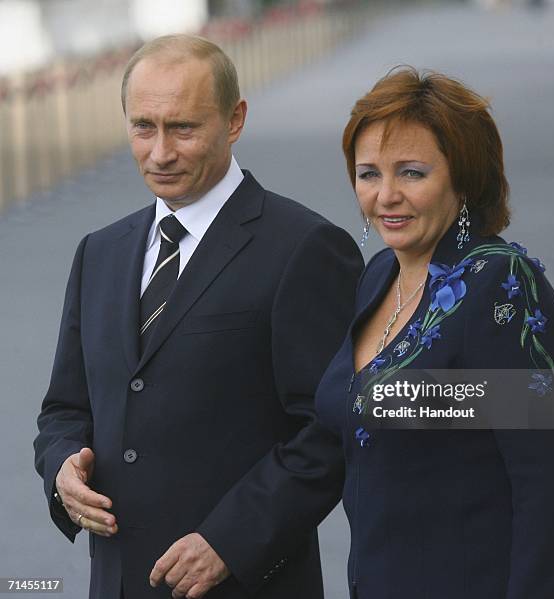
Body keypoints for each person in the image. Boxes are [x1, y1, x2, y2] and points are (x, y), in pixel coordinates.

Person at [34, 34, 363, 599]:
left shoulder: (306, 248)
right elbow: (65, 408)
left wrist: (230, 542)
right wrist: (63, 470)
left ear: (234, 120)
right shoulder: (99, 252)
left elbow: (332, 429)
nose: (160, 153)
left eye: (182, 128)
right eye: (143, 127)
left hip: (245, 584)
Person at [315, 66, 554, 598]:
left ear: (463, 179)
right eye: (368, 173)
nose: (386, 195)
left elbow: (547, 487)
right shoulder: (379, 276)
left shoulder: (505, 284)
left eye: (413, 173)